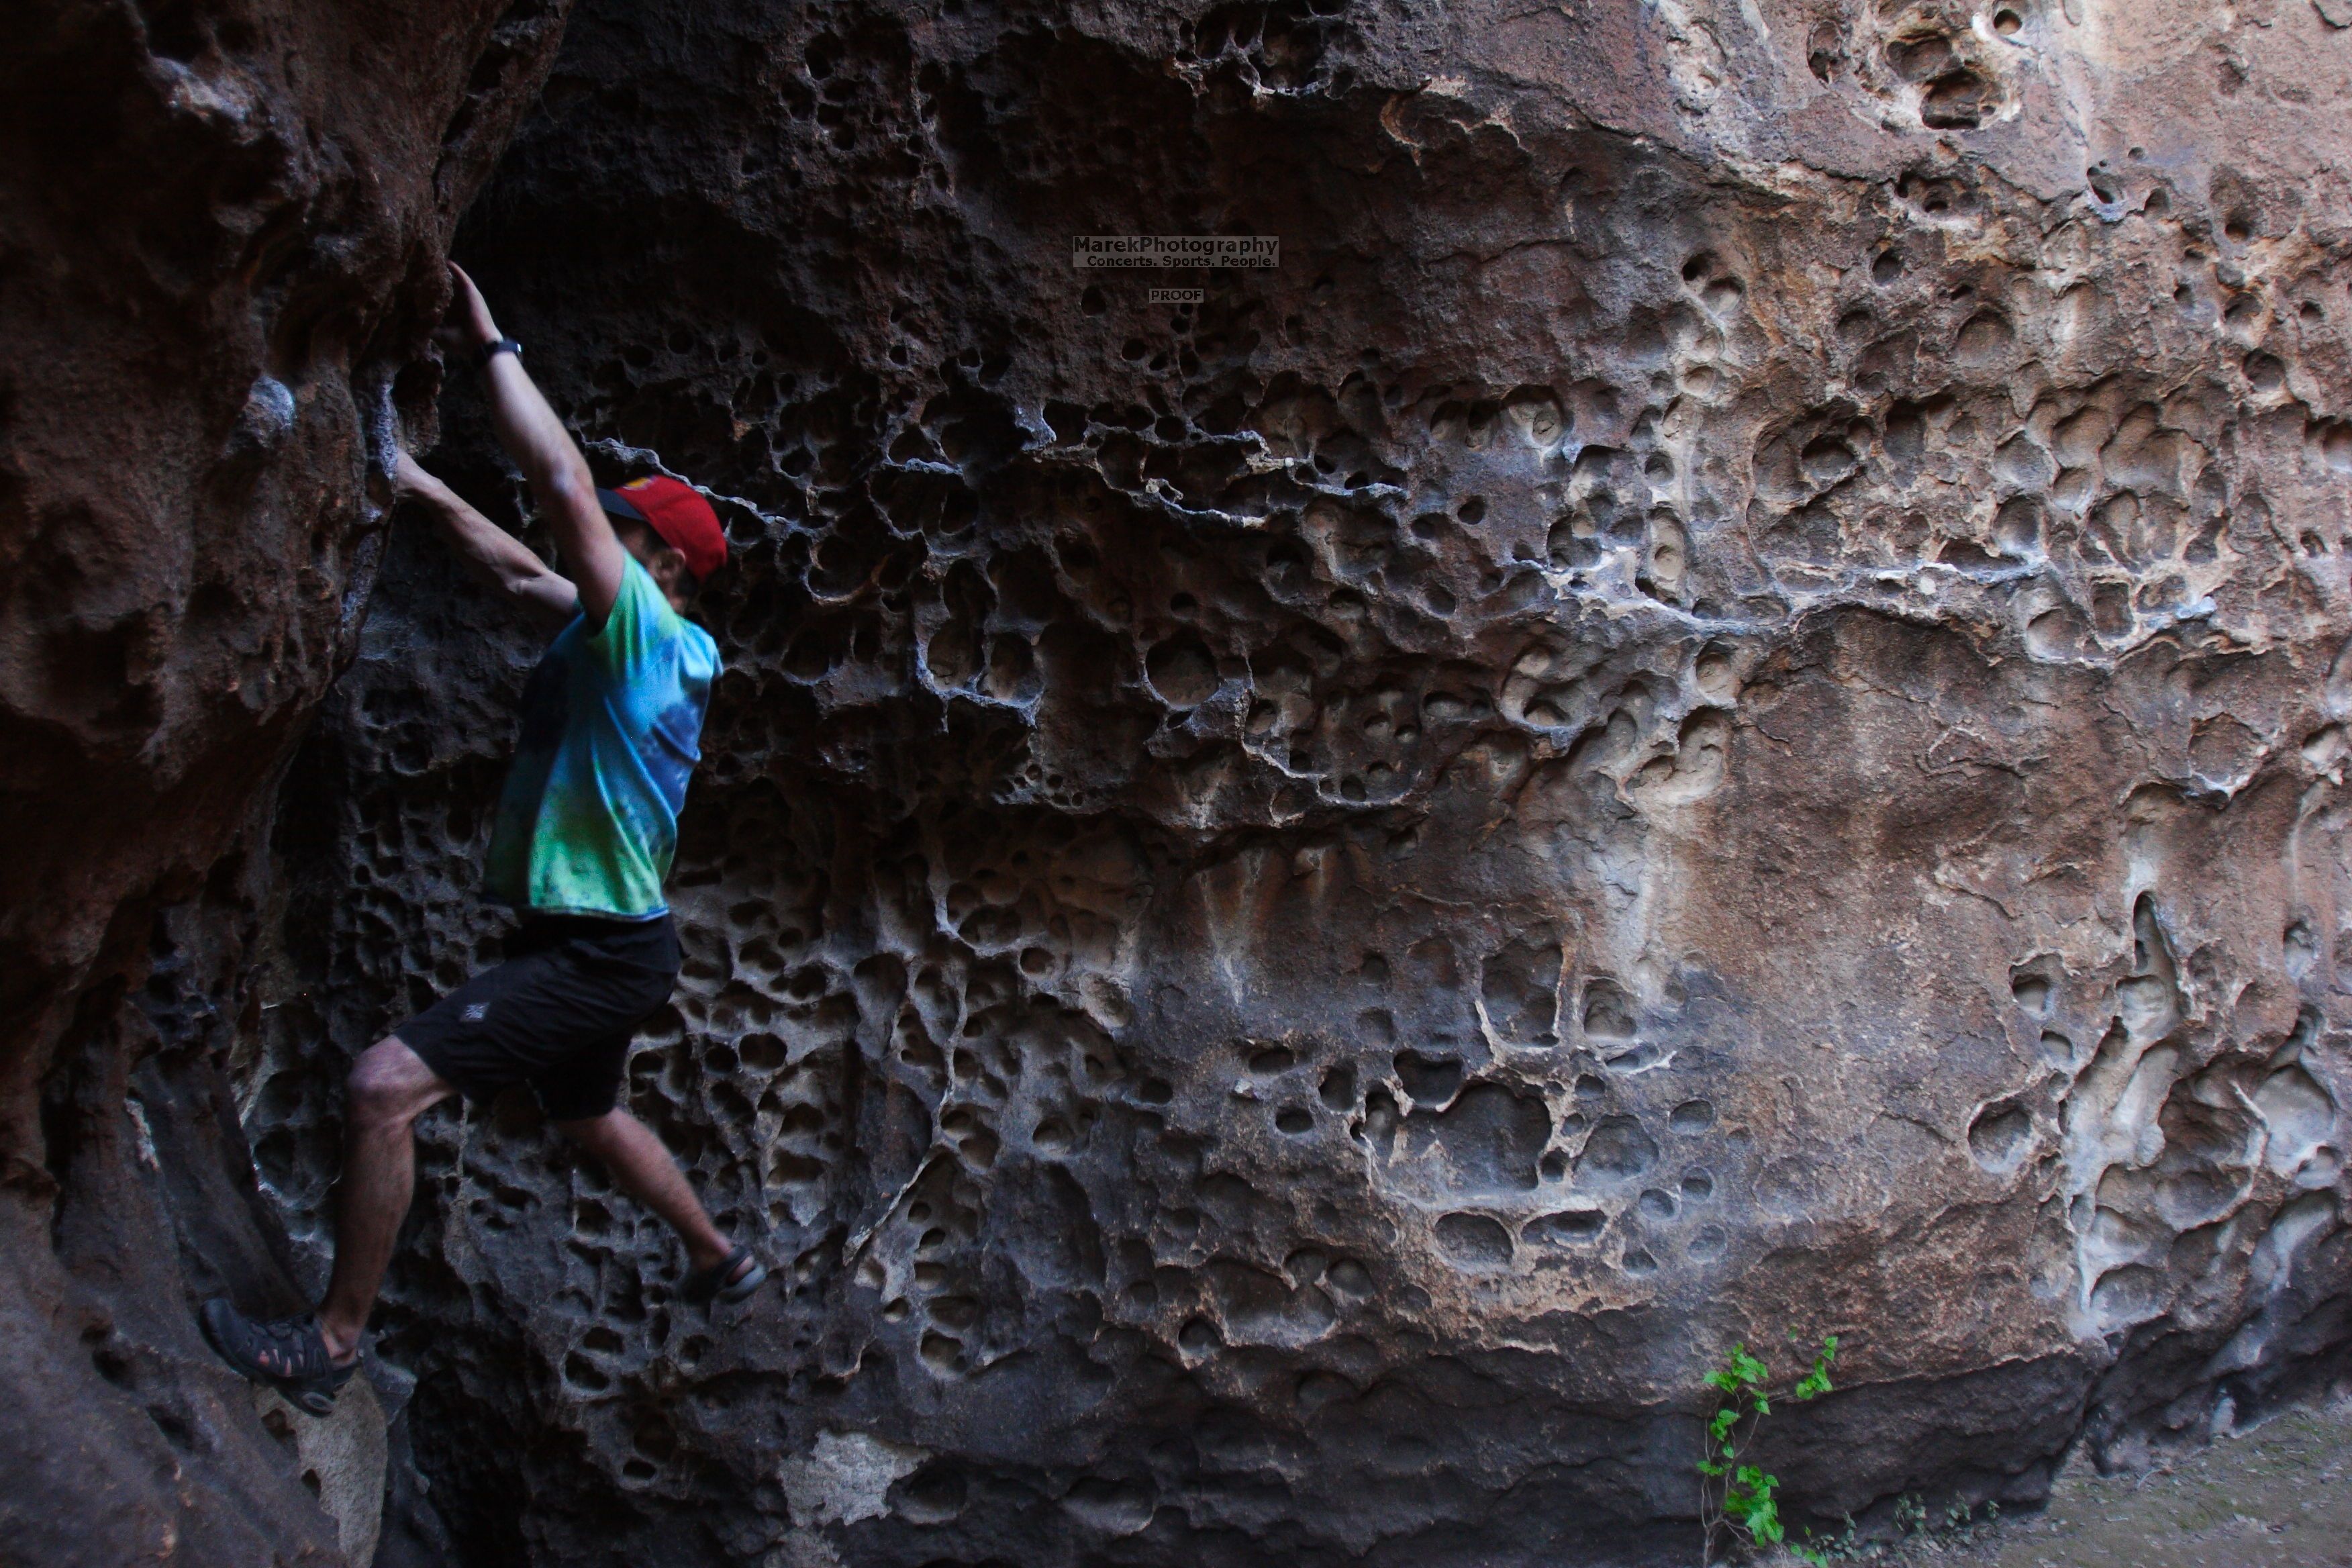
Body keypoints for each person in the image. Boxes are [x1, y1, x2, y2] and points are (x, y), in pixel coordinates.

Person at [200, 264, 765, 1416]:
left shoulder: (648, 636)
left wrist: (494, 344)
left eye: (614, 535)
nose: (590, 540)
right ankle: (720, 1254)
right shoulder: (625, 638)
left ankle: (335, 1340)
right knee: (589, 1115)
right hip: (606, 940)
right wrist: (401, 475)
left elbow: (554, 481)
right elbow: (514, 563)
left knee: (380, 1090)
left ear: (660, 570)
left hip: (595, 953)